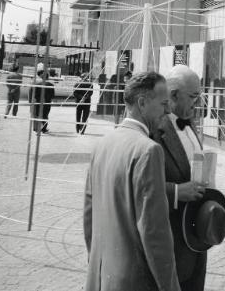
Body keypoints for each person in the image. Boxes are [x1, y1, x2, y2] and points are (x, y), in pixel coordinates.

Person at [83, 71, 181, 291]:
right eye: (163, 103)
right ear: (142, 103)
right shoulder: (149, 151)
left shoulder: (101, 144)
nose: (168, 110)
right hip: (134, 282)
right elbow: (154, 233)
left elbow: (89, 218)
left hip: (101, 278)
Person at [152, 65, 207, 291]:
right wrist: (177, 192)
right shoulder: (153, 130)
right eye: (193, 96)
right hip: (173, 242)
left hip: (197, 238)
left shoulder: (190, 124)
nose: (199, 103)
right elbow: (141, 186)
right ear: (173, 95)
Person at [30, 68, 55, 134]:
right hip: (47, 103)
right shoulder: (51, 85)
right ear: (48, 77)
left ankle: (38, 129)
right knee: (45, 115)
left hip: (39, 102)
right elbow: (52, 96)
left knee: (38, 115)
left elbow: (35, 95)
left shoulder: (37, 85)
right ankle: (44, 129)